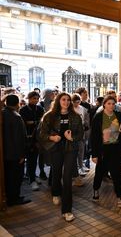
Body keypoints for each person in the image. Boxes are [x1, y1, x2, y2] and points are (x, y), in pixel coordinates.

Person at [38, 92, 84, 222]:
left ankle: (67, 210)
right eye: (63, 100)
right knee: (56, 173)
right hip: (55, 148)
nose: (66, 102)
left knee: (67, 177)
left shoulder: (75, 116)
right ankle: (56, 192)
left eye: (68, 100)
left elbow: (81, 134)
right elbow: (42, 134)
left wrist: (72, 138)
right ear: (58, 101)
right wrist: (52, 137)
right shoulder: (49, 116)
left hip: (70, 149)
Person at [90, 96, 121, 208]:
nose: (111, 106)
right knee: (100, 171)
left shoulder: (117, 115)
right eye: (109, 103)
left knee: (117, 173)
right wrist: (94, 154)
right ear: (104, 104)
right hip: (103, 149)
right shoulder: (98, 117)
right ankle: (95, 190)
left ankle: (120, 197)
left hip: (115, 147)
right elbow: (93, 137)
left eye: (113, 104)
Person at [2, 94, 31, 206]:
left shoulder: (3, 114)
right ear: (17, 103)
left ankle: (9, 197)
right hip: (15, 154)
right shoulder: (16, 116)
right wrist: (22, 155)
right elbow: (19, 138)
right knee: (16, 177)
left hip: (5, 153)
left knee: (8, 177)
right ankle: (14, 198)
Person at [19, 91, 45, 190]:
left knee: (37, 158)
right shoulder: (23, 109)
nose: (36, 100)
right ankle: (32, 180)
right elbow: (24, 124)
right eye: (34, 98)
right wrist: (34, 122)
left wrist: (33, 122)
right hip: (29, 138)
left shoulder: (40, 108)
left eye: (37, 98)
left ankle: (33, 175)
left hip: (38, 137)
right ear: (29, 98)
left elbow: (42, 122)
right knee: (31, 159)